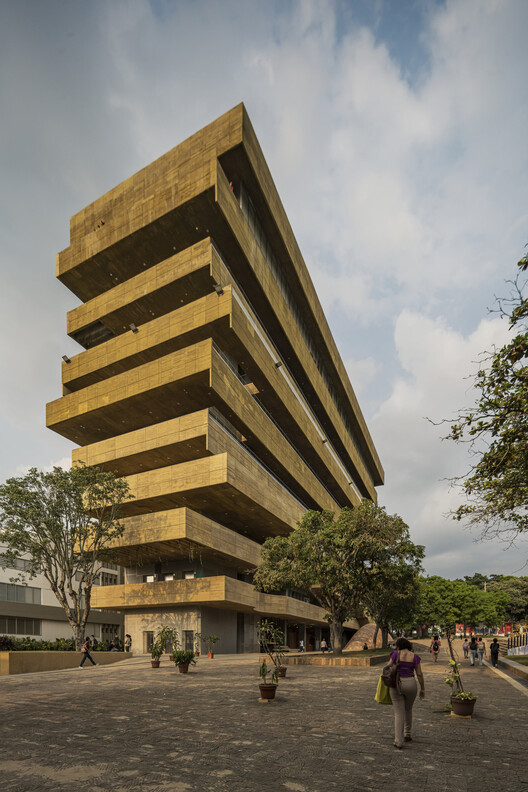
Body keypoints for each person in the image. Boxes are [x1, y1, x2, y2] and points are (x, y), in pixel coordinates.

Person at [387, 637, 425, 749]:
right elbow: (419, 674)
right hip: (411, 683)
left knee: (399, 713)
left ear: (398, 646)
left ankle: (398, 741)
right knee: (408, 709)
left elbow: (387, 667)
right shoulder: (415, 657)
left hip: (397, 684)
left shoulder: (395, 654)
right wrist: (422, 688)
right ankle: (407, 734)